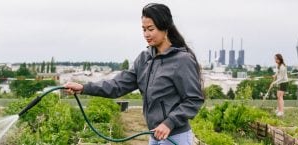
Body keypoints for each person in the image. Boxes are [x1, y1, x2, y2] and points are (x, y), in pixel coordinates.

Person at [64, 3, 204, 145]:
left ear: (165, 28)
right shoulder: (144, 58)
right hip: (154, 135)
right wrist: (83, 88)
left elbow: (194, 99)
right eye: (143, 29)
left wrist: (170, 122)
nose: (146, 34)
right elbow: (117, 85)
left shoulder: (182, 60)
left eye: (151, 29)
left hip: (176, 137)